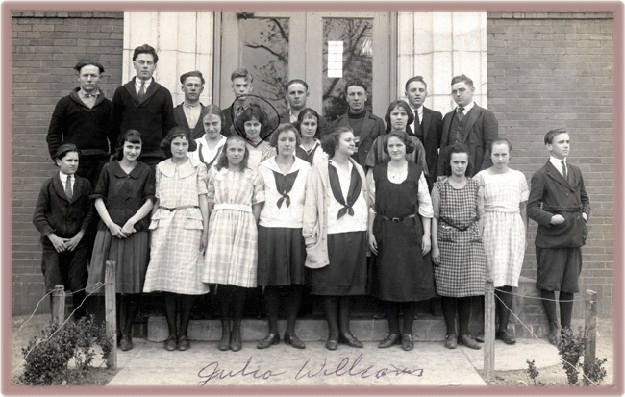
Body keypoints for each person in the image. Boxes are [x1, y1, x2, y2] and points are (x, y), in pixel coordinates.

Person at [86, 130, 156, 351]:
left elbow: (150, 200)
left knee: (132, 285)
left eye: (137, 147)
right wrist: (111, 225)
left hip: (135, 232)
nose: (133, 151)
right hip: (110, 231)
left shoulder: (146, 171)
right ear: (122, 147)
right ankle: (112, 333)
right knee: (112, 284)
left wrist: (132, 222)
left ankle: (126, 334)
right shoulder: (108, 169)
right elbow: (98, 199)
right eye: (129, 147)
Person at [366, 130, 436, 351]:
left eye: (399, 146)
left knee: (409, 282)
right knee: (388, 281)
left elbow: (426, 206)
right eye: (390, 146)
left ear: (407, 148)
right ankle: (393, 331)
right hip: (385, 231)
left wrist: (427, 235)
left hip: (411, 232)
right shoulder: (377, 172)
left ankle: (407, 333)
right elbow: (371, 206)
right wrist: (369, 233)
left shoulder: (416, 172)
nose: (395, 150)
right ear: (386, 150)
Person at [142, 127, 210, 352]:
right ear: (169, 146)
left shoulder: (199, 167)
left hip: (190, 223)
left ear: (189, 145)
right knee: (168, 280)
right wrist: (153, 230)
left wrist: (205, 231)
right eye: (176, 144)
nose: (180, 148)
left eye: (183, 144)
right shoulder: (161, 168)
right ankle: (171, 334)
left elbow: (203, 200)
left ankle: (184, 334)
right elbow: (157, 200)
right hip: (165, 223)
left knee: (187, 280)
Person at [303, 126, 369, 351]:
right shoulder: (320, 169)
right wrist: (309, 235)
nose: (353, 143)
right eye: (348, 140)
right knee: (330, 285)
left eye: (354, 139)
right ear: (335, 144)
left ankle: (345, 331)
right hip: (330, 234)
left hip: (355, 231)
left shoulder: (358, 168)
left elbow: (364, 200)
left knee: (349, 285)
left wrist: (367, 230)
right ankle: (332, 333)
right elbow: (312, 202)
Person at [201, 135, 265, 352]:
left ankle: (237, 330)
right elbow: (209, 201)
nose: (236, 153)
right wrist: (209, 228)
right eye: (232, 150)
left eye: (240, 150)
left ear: (245, 153)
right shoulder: (216, 173)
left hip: (245, 224)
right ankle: (225, 330)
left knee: (239, 282)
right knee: (223, 282)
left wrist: (252, 226)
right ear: (225, 152)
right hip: (220, 224)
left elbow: (257, 202)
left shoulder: (252, 174)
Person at [527, 128, 590, 345]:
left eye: (568, 141)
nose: (566, 145)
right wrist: (550, 218)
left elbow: (585, 199)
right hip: (551, 236)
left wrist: (584, 215)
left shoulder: (575, 171)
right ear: (549, 146)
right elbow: (532, 208)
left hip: (573, 234)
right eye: (561, 142)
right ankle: (553, 327)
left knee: (568, 283)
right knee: (548, 282)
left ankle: (566, 329)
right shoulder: (541, 175)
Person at [256, 124, 312, 350]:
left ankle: (290, 331)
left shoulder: (307, 167)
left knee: (295, 280)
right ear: (276, 143)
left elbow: (311, 200)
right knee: (271, 280)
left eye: (291, 140)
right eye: (283, 140)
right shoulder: (263, 167)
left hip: (297, 227)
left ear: (296, 143)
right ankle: (272, 332)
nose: (287, 144)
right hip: (270, 226)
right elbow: (258, 200)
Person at [431, 142, 487, 350]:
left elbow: (481, 214)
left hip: (470, 242)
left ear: (468, 164)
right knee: (448, 289)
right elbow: (434, 217)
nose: (459, 166)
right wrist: (435, 246)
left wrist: (478, 236)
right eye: (456, 162)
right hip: (447, 241)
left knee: (468, 289)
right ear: (449, 163)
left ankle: (464, 333)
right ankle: (451, 333)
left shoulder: (475, 185)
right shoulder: (439, 187)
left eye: (463, 162)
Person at [474, 138, 529, 345]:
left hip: (513, 227)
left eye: (504, 154)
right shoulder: (481, 177)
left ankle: (504, 329)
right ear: (490, 155)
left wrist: (523, 234)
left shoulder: (518, 177)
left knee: (507, 278)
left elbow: (523, 208)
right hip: (489, 226)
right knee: (488, 278)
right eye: (496, 154)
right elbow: (478, 208)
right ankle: (486, 328)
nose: (500, 158)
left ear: (510, 155)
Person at [33, 144, 95, 320]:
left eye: (76, 160)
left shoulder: (84, 185)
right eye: (69, 160)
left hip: (77, 244)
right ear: (59, 161)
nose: (74, 164)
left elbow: (90, 213)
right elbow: (38, 216)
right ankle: (57, 327)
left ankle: (81, 326)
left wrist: (80, 235)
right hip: (54, 246)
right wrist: (52, 237)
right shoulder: (48, 186)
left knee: (79, 284)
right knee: (55, 285)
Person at [46, 60, 113, 188]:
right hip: (73, 162)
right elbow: (53, 134)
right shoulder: (65, 104)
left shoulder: (108, 106)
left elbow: (115, 135)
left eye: (93, 76)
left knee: (96, 200)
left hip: (99, 164)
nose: (89, 79)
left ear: (100, 78)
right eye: (85, 75)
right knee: (73, 201)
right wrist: (59, 158)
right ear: (78, 77)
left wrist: (112, 159)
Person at [108, 44, 177, 168]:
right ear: (134, 64)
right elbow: (113, 126)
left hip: (154, 157)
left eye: (149, 63)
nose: (145, 66)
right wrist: (120, 149)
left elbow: (169, 126)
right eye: (141, 62)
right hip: (127, 156)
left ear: (155, 66)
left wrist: (162, 152)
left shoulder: (163, 93)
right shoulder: (122, 92)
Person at [437, 74, 498, 178]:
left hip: (475, 175)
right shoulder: (447, 117)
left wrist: (482, 175)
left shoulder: (486, 116)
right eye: (454, 91)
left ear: (472, 89)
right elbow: (443, 149)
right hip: (450, 177)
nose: (458, 94)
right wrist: (441, 174)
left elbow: (491, 149)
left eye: (462, 90)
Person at [331, 79, 385, 165]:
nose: (356, 98)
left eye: (359, 94)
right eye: (352, 94)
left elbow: (382, 153)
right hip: (344, 171)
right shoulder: (336, 124)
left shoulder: (377, 122)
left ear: (365, 97)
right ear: (347, 98)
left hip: (369, 172)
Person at [364, 100, 428, 173]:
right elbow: (370, 172)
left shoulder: (416, 143)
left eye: (403, 114)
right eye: (395, 114)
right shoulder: (379, 142)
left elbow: (422, 173)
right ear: (389, 117)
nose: (399, 117)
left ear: (409, 117)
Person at [404, 76, 443, 191]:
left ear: (426, 94)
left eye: (421, 90)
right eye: (413, 90)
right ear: (406, 94)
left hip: (430, 175)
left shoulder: (436, 117)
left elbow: (440, 144)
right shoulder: (399, 117)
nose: (417, 94)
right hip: (405, 173)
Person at [235, 105, 277, 170]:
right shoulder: (236, 146)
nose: (252, 128)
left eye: (256, 124)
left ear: (262, 125)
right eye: (248, 124)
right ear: (243, 126)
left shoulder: (270, 149)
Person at [222, 67, 255, 137]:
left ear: (251, 88)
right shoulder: (223, 115)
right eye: (238, 86)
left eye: (245, 85)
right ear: (233, 88)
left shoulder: (259, 115)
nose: (241, 89)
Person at [174, 71, 207, 139]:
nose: (193, 88)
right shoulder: (173, 113)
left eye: (196, 85)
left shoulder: (208, 113)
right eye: (189, 85)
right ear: (183, 88)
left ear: (202, 89)